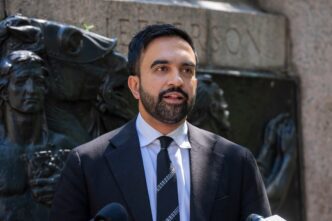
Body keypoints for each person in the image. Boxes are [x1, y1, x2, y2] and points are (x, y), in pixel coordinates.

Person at [50, 24, 271, 221]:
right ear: (135, 86)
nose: (176, 80)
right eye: (161, 69)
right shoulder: (86, 164)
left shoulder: (236, 162)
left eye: (187, 70)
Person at [0, 50, 74, 221]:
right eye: (20, 82)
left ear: (45, 88)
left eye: (38, 82)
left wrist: (67, 192)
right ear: (4, 91)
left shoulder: (64, 148)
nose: (31, 90)